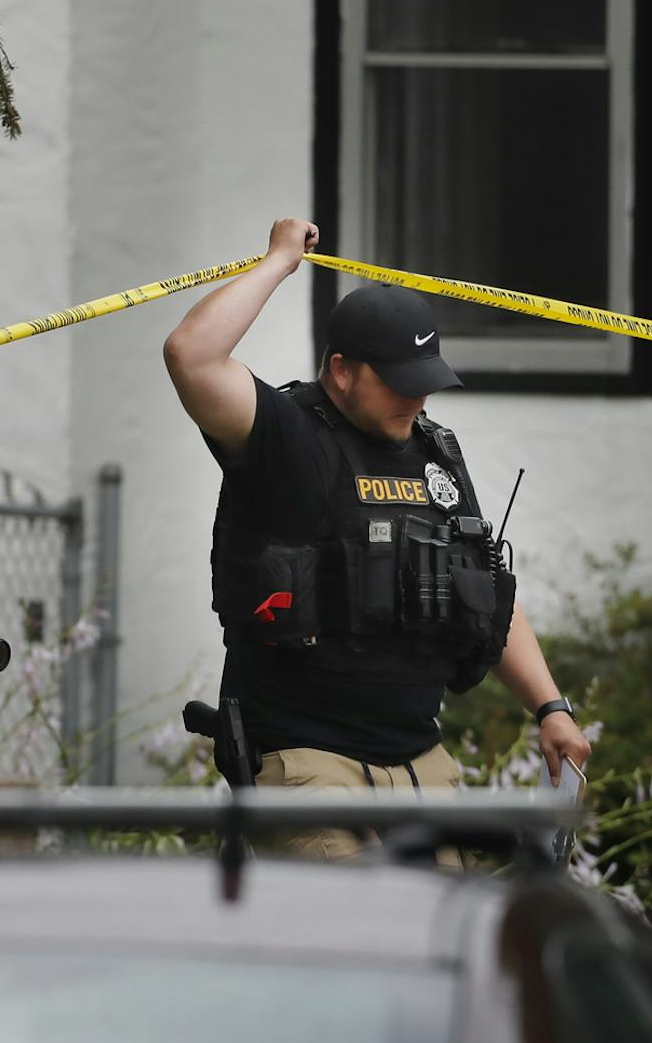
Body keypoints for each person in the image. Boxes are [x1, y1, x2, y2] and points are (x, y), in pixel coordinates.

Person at [161, 217, 592, 857]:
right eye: (398, 382)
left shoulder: (436, 453)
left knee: (443, 921)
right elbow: (191, 355)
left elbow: (485, 592)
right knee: (355, 918)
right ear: (341, 371)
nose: (416, 400)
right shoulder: (287, 436)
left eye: (426, 382)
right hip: (310, 767)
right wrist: (279, 261)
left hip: (422, 765)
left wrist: (551, 707)